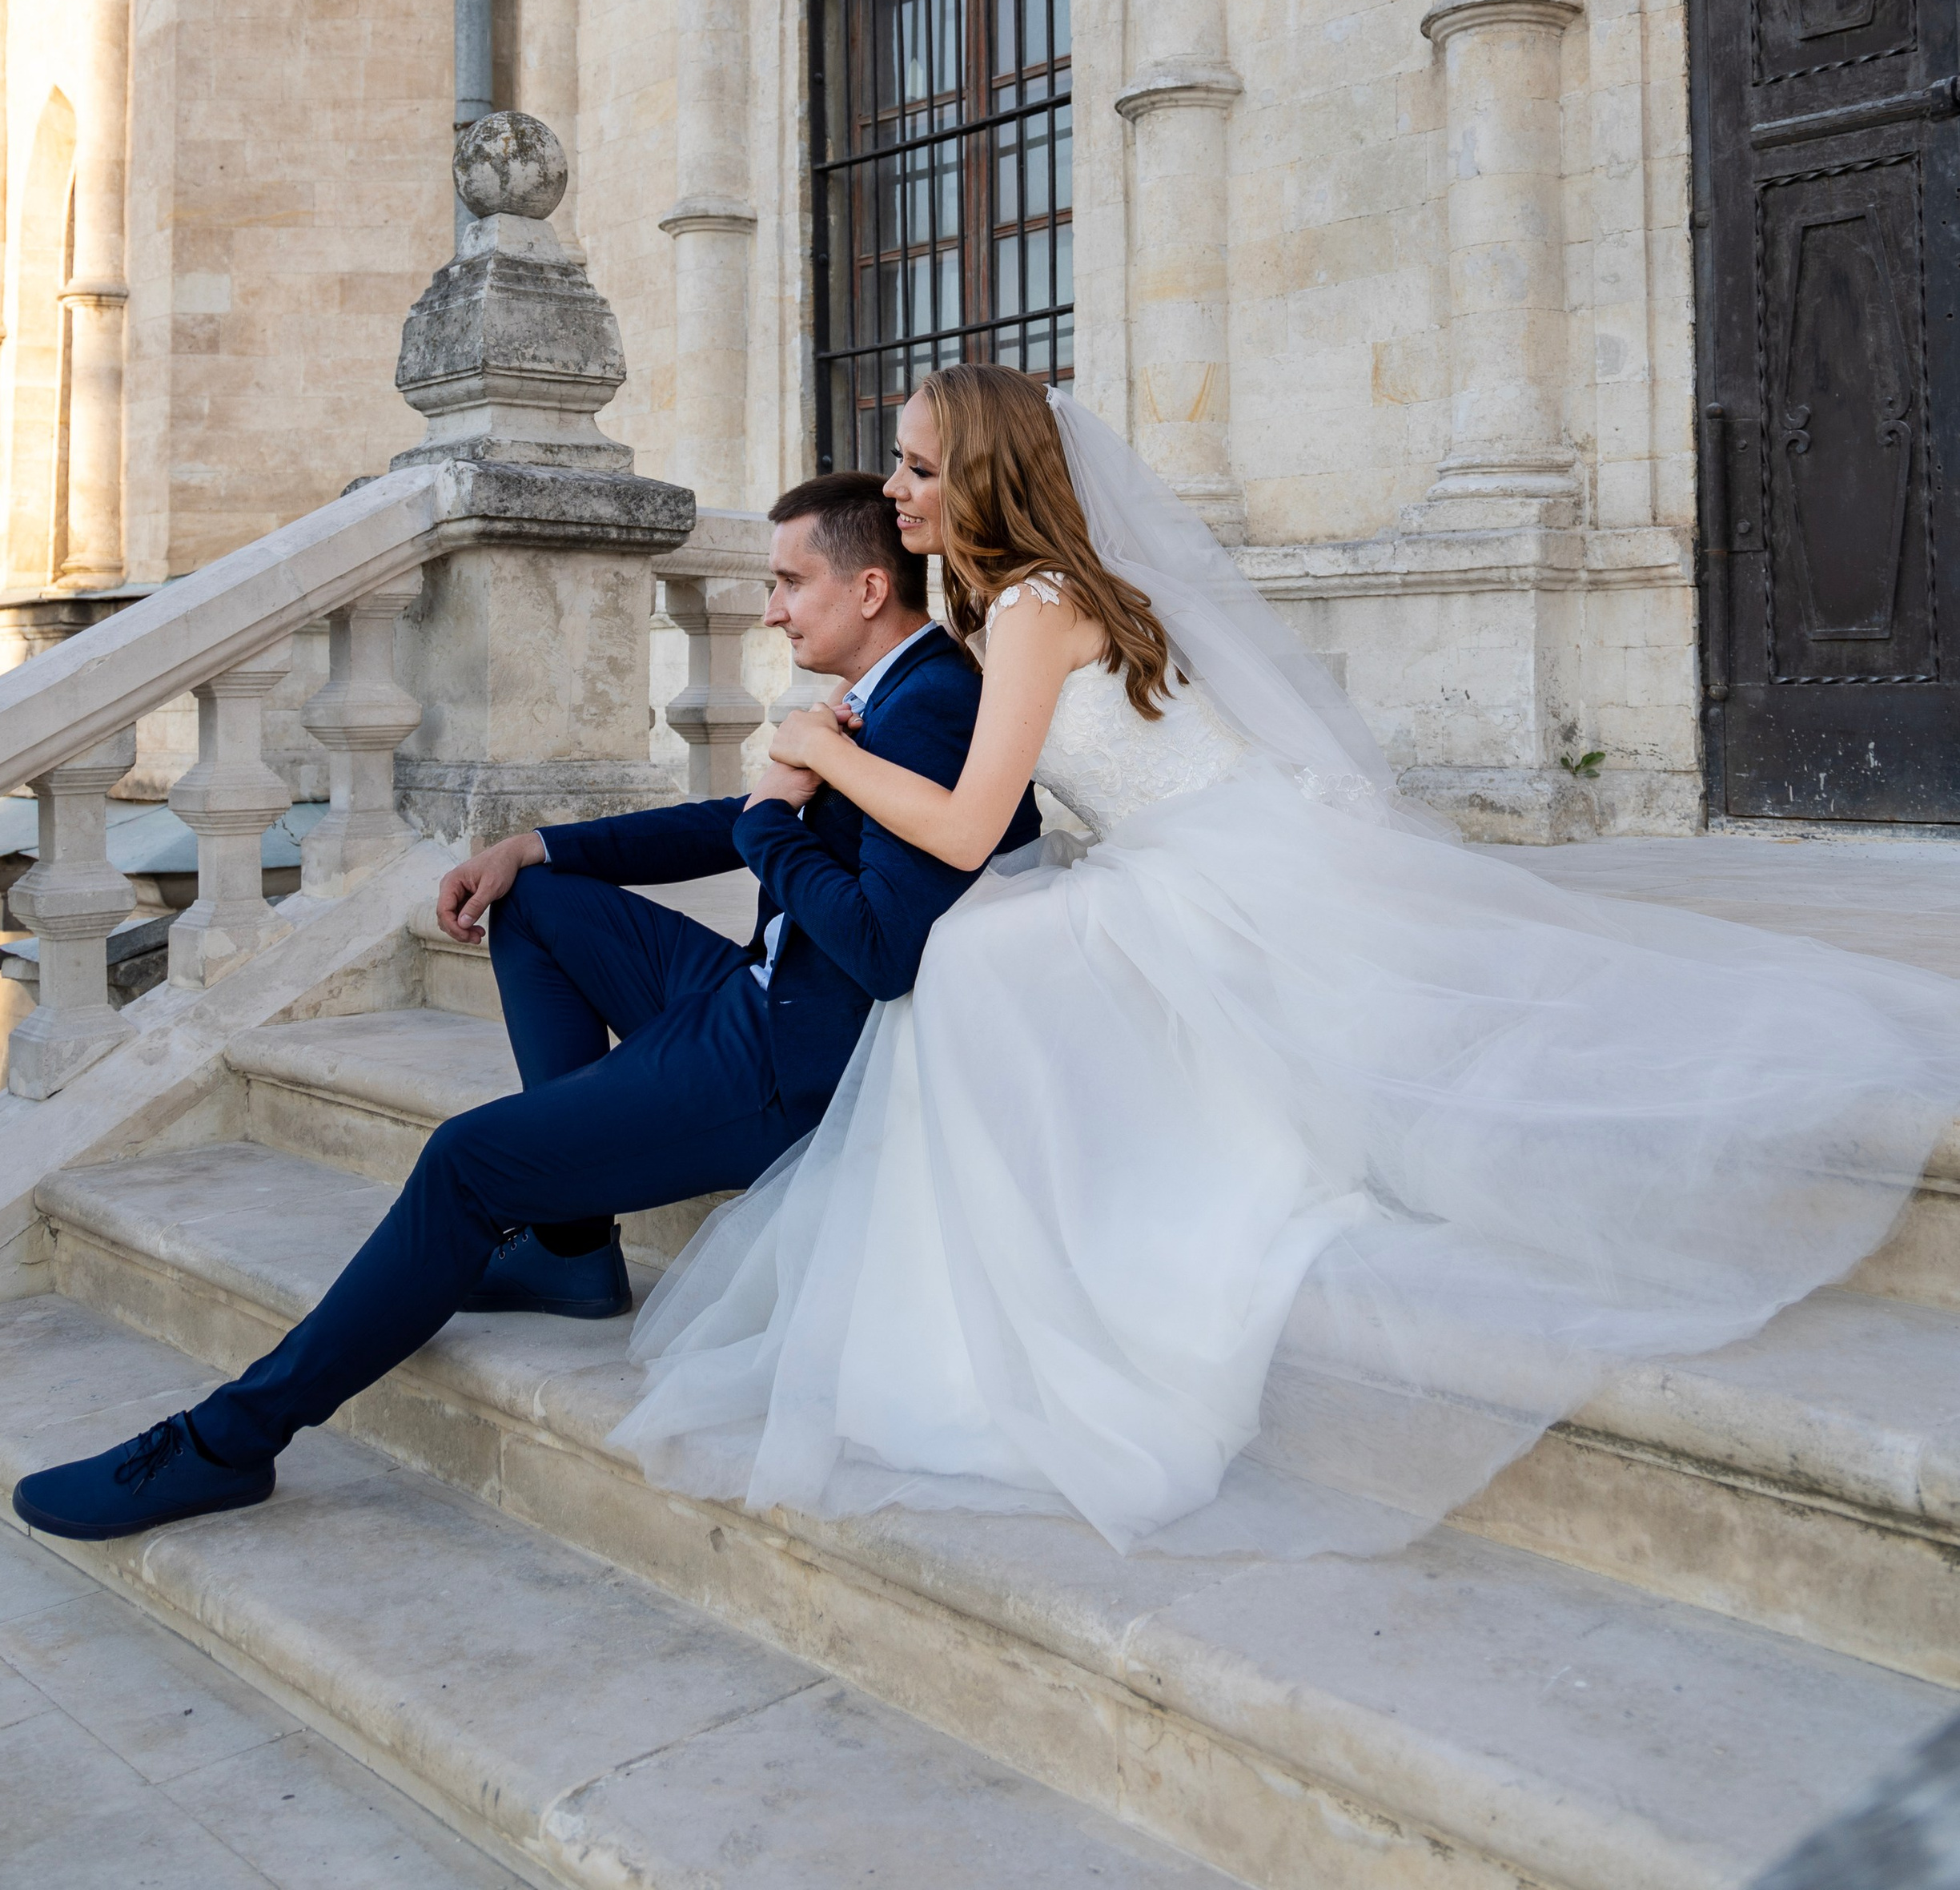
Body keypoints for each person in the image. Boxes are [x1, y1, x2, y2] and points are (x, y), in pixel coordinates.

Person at [609, 364, 1960, 1561]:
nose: (895, 486)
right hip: (1214, 849)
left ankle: (1044, 1277)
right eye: (900, 462)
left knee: (970, 973)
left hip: (1207, 867)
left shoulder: (1031, 610)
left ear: (986, 477)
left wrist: (823, 755)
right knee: (990, 960)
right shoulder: (1017, 605)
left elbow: (966, 827)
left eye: (917, 463)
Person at [11, 470, 1039, 1544]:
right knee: (536, 898)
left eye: (790, 583)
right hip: (760, 988)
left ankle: (231, 1442)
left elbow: (880, 948)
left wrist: (773, 821)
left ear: (870, 587)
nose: (772, 608)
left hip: (789, 1060)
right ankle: (569, 1247)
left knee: (466, 1162)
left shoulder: (926, 711)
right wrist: (536, 843)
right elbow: (744, 817)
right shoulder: (888, 688)